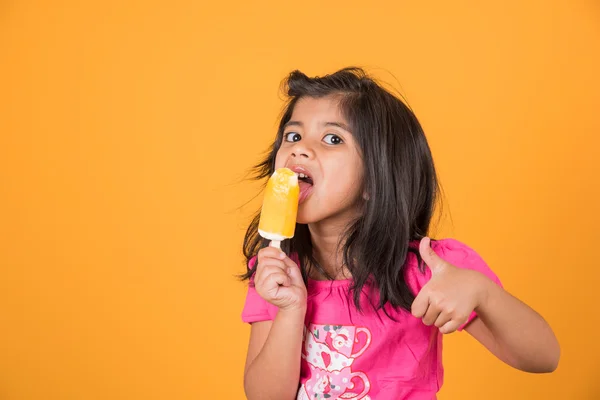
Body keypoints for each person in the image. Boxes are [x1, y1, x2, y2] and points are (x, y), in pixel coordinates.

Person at [239, 67, 560, 400]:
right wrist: (291, 308)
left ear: (376, 180)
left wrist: (483, 293)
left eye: (332, 139)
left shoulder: (430, 268)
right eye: (293, 136)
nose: (299, 150)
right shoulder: (276, 271)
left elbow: (544, 357)